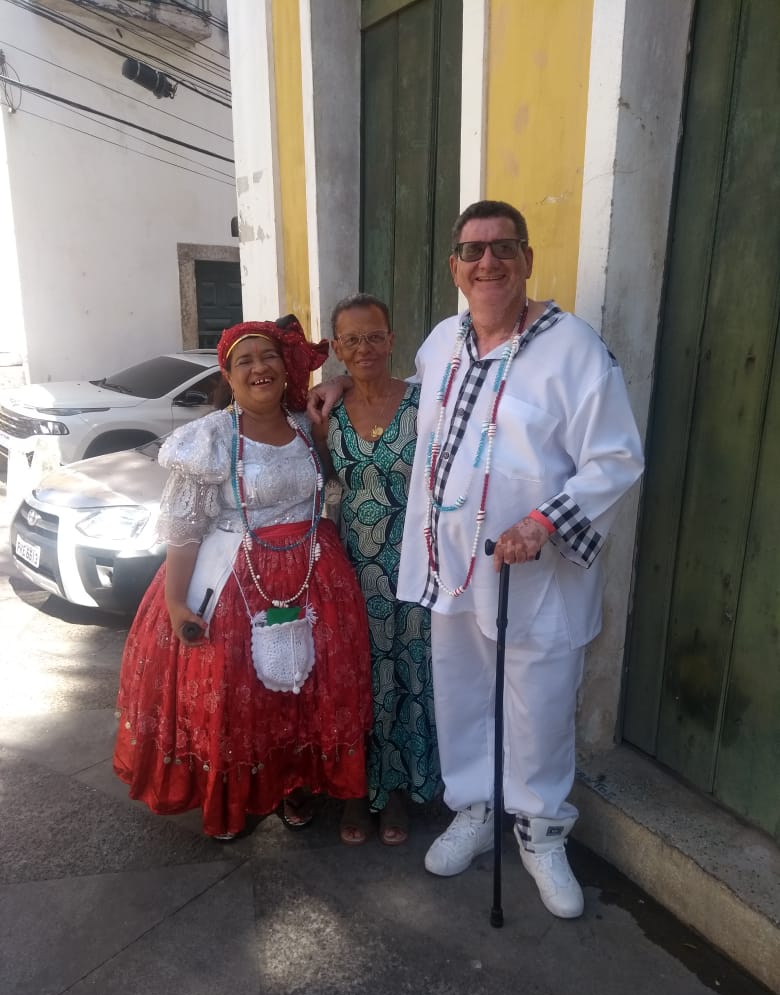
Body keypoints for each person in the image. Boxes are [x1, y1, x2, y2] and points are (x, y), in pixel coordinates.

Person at [309, 201, 644, 918]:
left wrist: (543, 522)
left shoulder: (575, 350)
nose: (487, 262)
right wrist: (341, 385)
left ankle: (542, 833)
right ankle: (474, 809)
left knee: (539, 705)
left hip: (533, 572)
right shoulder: (441, 342)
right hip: (452, 567)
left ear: (526, 260)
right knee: (460, 691)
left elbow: (616, 457)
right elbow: (413, 407)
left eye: (502, 248)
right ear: (455, 268)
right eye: (473, 250)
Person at [114, 316, 373, 839]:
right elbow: (185, 528)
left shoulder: (308, 425)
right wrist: (176, 603)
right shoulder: (208, 439)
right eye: (245, 362)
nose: (260, 368)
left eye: (269, 356)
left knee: (303, 691)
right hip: (235, 581)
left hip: (314, 576)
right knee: (240, 699)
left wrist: (342, 379)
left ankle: (295, 785)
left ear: (286, 368)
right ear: (228, 378)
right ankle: (236, 799)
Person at [312, 293, 440, 847]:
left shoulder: (425, 403)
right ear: (337, 349)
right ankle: (354, 791)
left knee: (408, 677)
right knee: (357, 680)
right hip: (352, 571)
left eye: (373, 336)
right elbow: (320, 483)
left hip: (413, 568)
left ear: (391, 341)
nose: (363, 347)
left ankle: (396, 793)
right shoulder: (327, 415)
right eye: (351, 339)